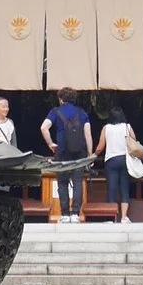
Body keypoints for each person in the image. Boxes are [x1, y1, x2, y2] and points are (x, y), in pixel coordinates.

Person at [42, 88, 92, 218]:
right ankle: (75, 214)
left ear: (61, 99)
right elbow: (88, 134)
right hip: (79, 151)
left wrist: (50, 143)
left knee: (62, 182)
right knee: (77, 182)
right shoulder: (82, 113)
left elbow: (44, 127)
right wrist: (90, 154)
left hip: (62, 151)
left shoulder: (55, 112)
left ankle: (64, 214)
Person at [98, 102, 143, 223]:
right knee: (124, 188)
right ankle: (124, 217)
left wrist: (94, 155)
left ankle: (111, 217)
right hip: (125, 159)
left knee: (112, 188)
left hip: (111, 160)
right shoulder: (127, 127)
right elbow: (134, 140)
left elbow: (101, 146)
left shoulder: (106, 128)